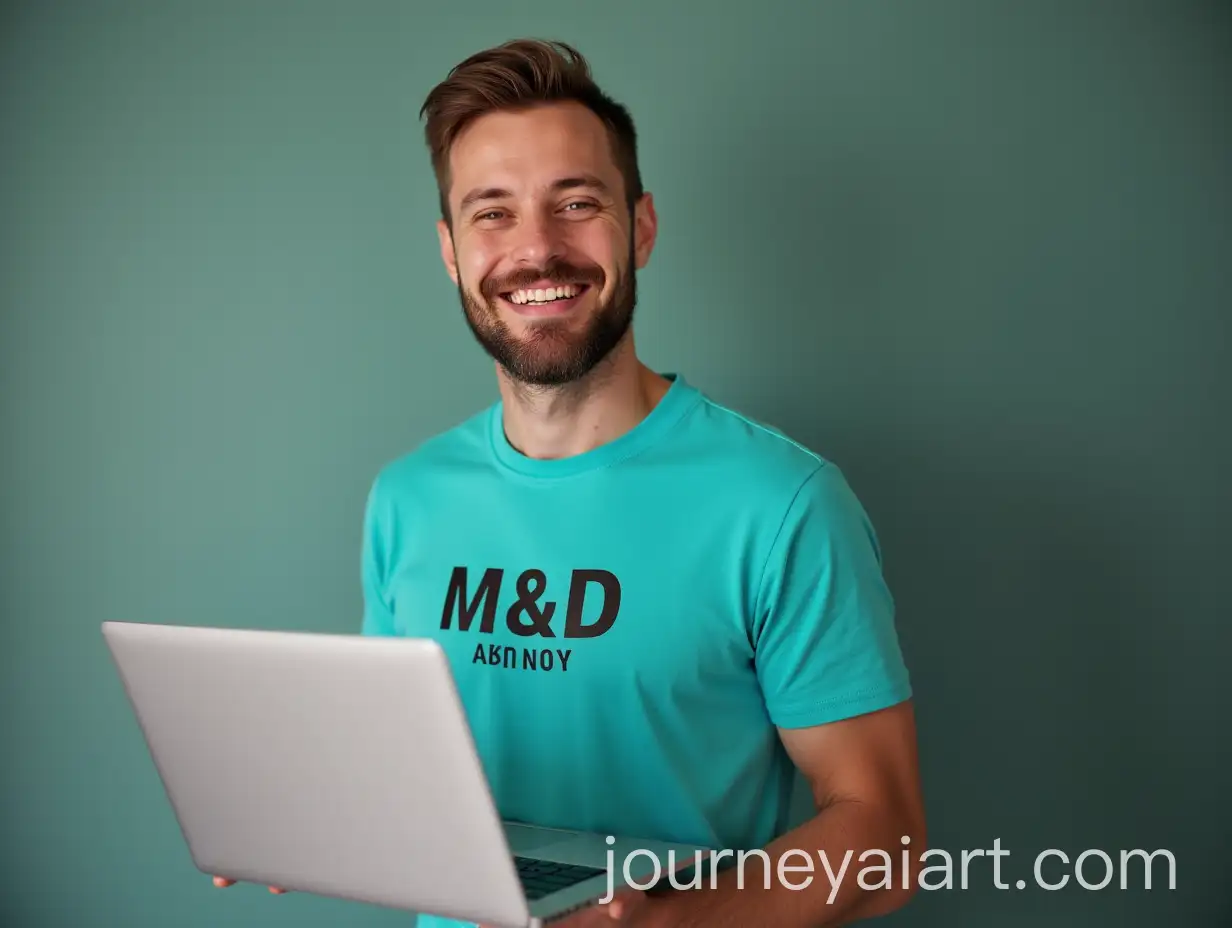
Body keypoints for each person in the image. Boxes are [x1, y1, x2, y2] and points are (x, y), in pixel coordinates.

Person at [218, 38, 926, 927]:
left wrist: (673, 923)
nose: (537, 250)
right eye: (493, 213)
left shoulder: (782, 504)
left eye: (577, 203)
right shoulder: (407, 499)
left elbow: (885, 831)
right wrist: (316, 822)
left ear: (641, 226)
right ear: (450, 252)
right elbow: (404, 777)